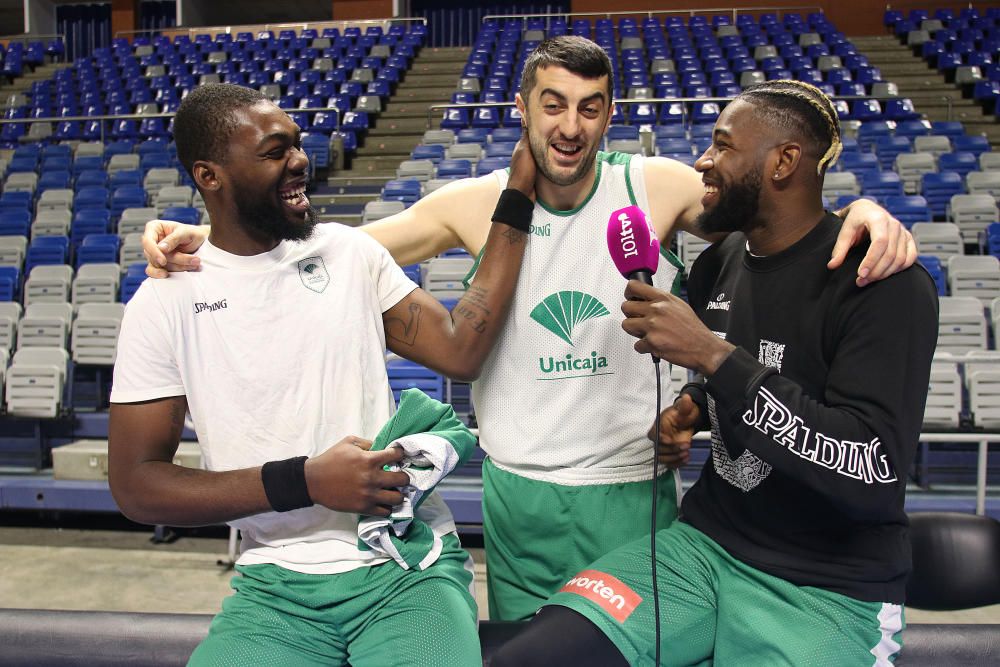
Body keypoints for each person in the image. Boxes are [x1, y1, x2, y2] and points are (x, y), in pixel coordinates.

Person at [141, 37, 918, 622]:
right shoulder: (472, 202)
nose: (570, 126)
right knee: (529, 651)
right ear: (523, 107)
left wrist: (862, 211)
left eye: (589, 107)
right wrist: (203, 234)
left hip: (628, 489)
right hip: (518, 493)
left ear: (610, 113)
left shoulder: (660, 186)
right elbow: (324, 253)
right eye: (553, 104)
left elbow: (779, 219)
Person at [490, 81, 939, 666]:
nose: (703, 160)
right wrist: (694, 408)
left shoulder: (882, 283)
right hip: (704, 548)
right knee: (530, 658)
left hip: (826, 587)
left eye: (722, 146)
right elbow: (759, 358)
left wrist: (709, 358)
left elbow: (870, 467)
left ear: (783, 162)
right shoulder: (722, 260)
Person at [109, 83, 535, 665]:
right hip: (272, 592)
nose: (300, 160)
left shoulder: (347, 253)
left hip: (402, 568)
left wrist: (515, 198)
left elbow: (462, 351)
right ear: (210, 176)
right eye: (274, 151)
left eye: (297, 144)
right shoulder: (162, 303)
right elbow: (137, 486)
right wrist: (303, 481)